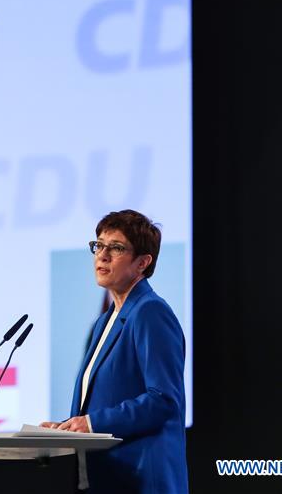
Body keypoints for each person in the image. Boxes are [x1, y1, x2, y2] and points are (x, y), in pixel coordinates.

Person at [42, 210, 187, 493]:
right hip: (110, 478)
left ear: (143, 262)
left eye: (116, 248)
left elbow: (164, 400)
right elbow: (104, 399)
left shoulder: (150, 312)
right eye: (99, 245)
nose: (103, 255)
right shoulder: (105, 321)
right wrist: (68, 427)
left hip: (142, 479)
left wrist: (92, 423)